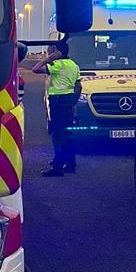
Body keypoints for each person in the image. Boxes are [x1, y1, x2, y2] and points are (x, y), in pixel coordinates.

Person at [33, 41, 81, 177]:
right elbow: (78, 85)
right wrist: (73, 101)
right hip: (68, 102)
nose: (49, 52)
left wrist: (49, 59)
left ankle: (57, 168)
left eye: (52, 51)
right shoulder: (74, 65)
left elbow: (35, 69)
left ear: (57, 52)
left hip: (58, 102)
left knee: (57, 135)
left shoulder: (57, 65)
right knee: (67, 134)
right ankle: (70, 164)